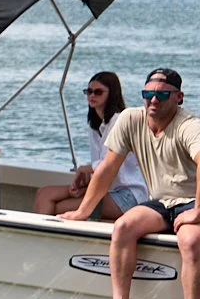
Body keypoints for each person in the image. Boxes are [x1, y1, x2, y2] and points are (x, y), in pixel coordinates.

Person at [60, 67, 200, 299]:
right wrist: (83, 211)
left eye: (162, 95)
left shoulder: (189, 126)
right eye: (148, 93)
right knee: (123, 226)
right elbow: (107, 169)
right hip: (160, 201)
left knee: (191, 241)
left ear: (179, 97)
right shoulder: (130, 119)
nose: (154, 100)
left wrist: (197, 212)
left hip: (192, 200)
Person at [35, 72, 143, 217]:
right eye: (89, 91)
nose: (92, 95)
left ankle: (43, 231)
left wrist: (85, 169)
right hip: (106, 189)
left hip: (128, 195)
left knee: (60, 207)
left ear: (112, 94)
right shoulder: (95, 126)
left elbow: (109, 166)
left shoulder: (119, 121)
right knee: (44, 193)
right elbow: (99, 167)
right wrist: (83, 182)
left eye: (98, 92)